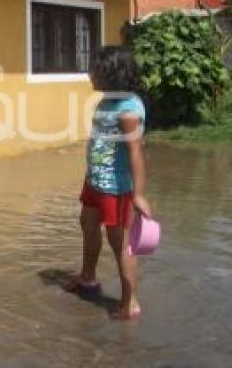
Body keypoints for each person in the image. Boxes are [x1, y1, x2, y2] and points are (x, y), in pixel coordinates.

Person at [65, 46, 152, 321]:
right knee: (88, 225)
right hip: (95, 181)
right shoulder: (107, 100)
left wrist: (138, 194)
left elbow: (136, 151)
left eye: (94, 69)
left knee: (121, 244)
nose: (89, 74)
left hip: (116, 188)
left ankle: (130, 303)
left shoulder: (128, 109)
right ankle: (88, 278)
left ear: (110, 73)